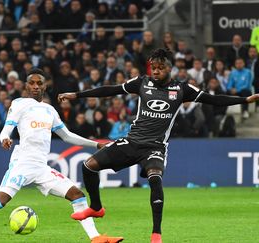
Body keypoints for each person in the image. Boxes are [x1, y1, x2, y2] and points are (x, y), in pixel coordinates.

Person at [57, 48, 259, 243]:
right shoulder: (141, 82)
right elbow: (110, 90)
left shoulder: (182, 89)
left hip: (155, 147)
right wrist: (77, 95)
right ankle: (96, 207)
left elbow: (214, 99)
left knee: (155, 178)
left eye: (160, 68)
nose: (155, 71)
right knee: (88, 165)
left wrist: (245, 99)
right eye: (153, 67)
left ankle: (156, 234)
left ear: (169, 68)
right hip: (132, 141)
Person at [0, 69, 123, 243]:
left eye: (39, 83)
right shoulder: (19, 104)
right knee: (0, 201)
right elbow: (7, 128)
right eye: (32, 83)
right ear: (26, 86)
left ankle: (95, 237)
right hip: (22, 163)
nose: (35, 86)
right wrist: (5, 138)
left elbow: (67, 136)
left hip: (41, 167)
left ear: (45, 86)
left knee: (77, 195)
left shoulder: (50, 110)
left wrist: (97, 144)